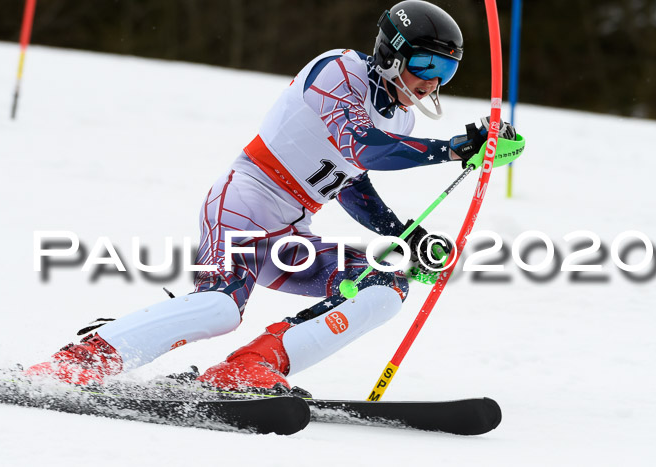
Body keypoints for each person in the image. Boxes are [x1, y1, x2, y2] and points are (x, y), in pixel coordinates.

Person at [26, 0, 518, 392]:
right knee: (221, 309)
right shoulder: (340, 71)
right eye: (427, 64)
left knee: (384, 287)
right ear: (391, 52)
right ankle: (82, 360)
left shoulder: (401, 118)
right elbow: (365, 149)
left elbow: (350, 182)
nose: (433, 81)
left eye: (446, 72)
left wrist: (402, 234)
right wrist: (453, 149)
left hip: (290, 232)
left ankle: (250, 367)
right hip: (243, 203)